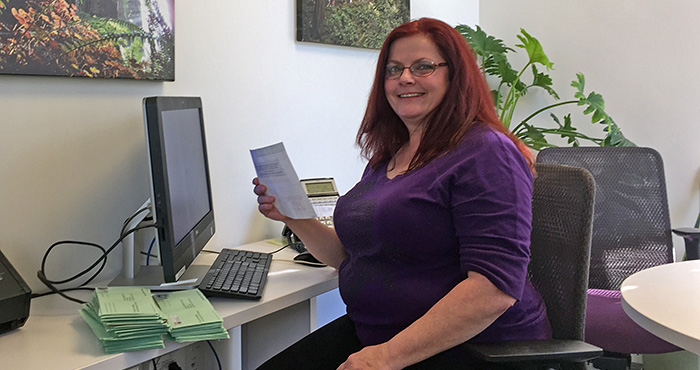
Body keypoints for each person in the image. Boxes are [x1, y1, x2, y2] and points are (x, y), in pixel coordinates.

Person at [252, 18, 551, 370]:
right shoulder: (391, 156)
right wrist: (293, 217)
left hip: (473, 347)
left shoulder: (486, 152)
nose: (405, 78)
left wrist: (385, 358)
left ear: (455, 76)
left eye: (423, 67)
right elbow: (352, 256)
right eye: (393, 70)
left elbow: (493, 290)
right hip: (381, 334)